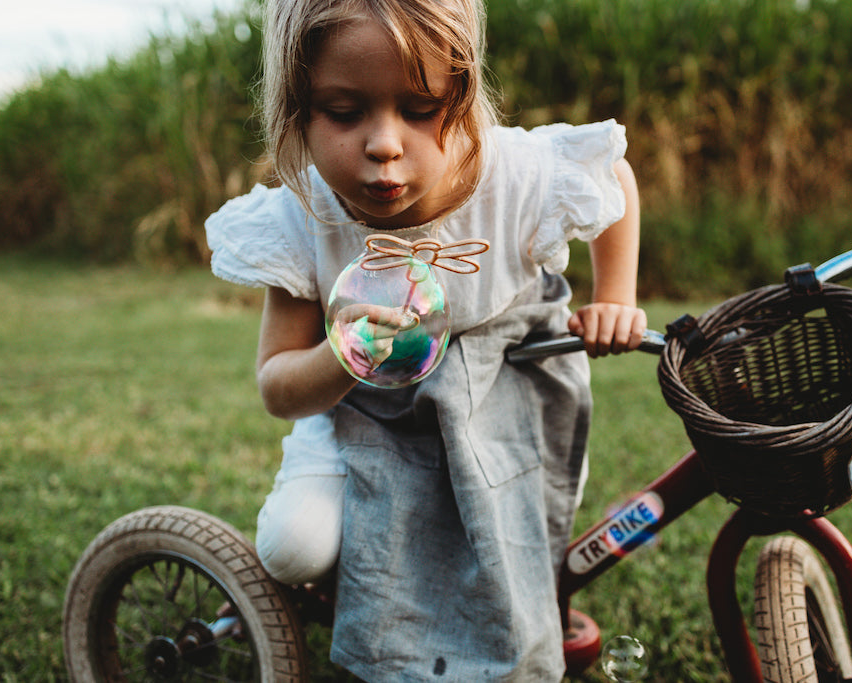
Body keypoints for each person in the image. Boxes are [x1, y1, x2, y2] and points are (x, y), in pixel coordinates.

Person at [204, 0, 646, 679]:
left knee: (515, 518)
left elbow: (611, 172)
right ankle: (362, 580)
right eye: (345, 112)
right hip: (361, 406)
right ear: (297, 108)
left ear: (463, 94)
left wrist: (614, 297)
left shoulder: (513, 176)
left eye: (420, 108)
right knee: (293, 546)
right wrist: (342, 353)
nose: (384, 143)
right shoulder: (305, 216)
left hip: (503, 389)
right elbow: (278, 385)